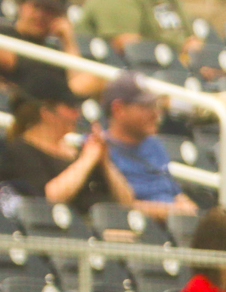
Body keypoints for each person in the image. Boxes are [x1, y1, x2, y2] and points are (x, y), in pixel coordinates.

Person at [0, 72, 131, 213]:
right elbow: (48, 199)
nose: (77, 114)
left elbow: (127, 201)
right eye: (71, 108)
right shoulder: (20, 151)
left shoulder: (81, 151)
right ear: (46, 113)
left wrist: (105, 162)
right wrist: (87, 159)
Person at [100, 69, 197, 220]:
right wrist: (172, 212)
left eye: (154, 105)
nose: (155, 113)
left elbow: (175, 193)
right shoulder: (99, 148)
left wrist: (191, 213)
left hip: (173, 227)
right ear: (118, 109)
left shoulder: (154, 146)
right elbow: (120, 206)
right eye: (145, 106)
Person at [0, 0, 92, 97]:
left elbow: (78, 85)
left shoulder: (56, 53)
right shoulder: (3, 35)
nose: (40, 15)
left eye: (50, 10)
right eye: (36, 6)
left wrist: (68, 40)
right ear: (21, 5)